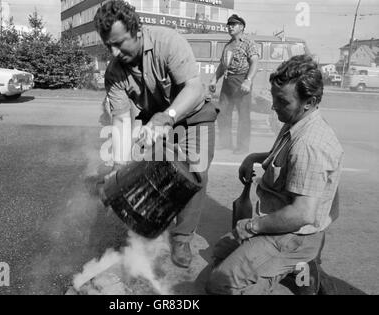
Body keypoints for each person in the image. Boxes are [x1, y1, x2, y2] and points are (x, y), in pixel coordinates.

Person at [94, 0, 218, 268]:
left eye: (119, 43)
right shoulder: (114, 73)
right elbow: (121, 119)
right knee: (151, 169)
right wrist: (119, 167)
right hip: (155, 119)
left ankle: (182, 237)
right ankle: (151, 222)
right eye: (108, 46)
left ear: (136, 30)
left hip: (193, 115)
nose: (114, 52)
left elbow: (194, 88)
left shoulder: (168, 42)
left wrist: (167, 117)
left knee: (195, 173)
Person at [206, 55, 344, 295]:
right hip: (279, 224)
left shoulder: (309, 145)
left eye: (282, 101)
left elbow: (301, 214)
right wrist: (254, 158)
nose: (273, 106)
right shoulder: (296, 120)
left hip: (292, 235)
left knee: (220, 284)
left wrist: (252, 226)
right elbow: (282, 156)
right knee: (219, 253)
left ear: (309, 102)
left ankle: (298, 268)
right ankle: (287, 270)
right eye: (274, 98)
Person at [209, 14, 259, 154]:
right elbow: (222, 65)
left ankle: (242, 147)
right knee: (222, 112)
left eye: (233, 24)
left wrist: (248, 81)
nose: (230, 27)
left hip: (241, 81)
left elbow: (254, 62)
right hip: (227, 82)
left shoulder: (248, 43)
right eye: (229, 25)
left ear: (242, 27)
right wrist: (214, 79)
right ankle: (225, 143)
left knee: (243, 116)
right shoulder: (228, 45)